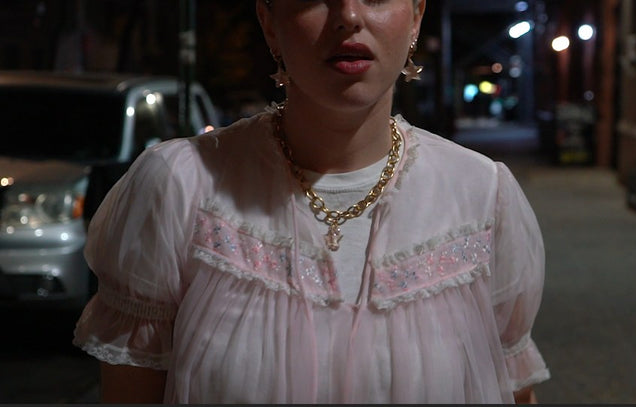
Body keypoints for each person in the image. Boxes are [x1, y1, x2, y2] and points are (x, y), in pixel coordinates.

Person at [73, 0, 550, 403]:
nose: (348, 17)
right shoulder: (181, 186)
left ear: (416, 17)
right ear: (269, 23)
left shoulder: (481, 195)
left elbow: (515, 388)